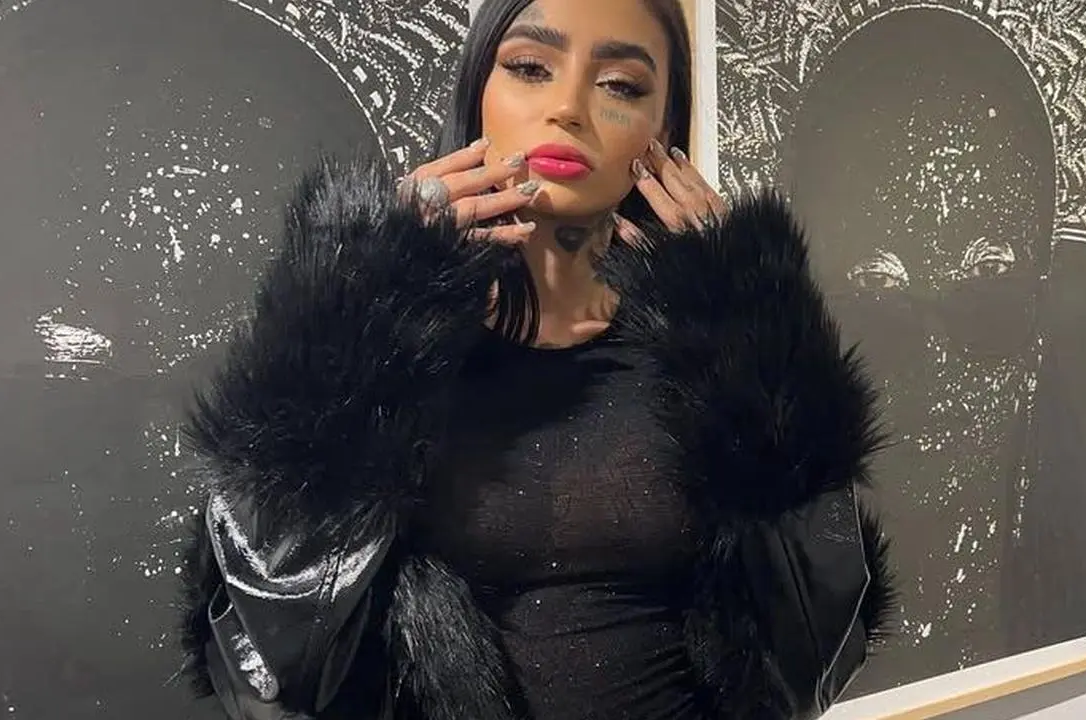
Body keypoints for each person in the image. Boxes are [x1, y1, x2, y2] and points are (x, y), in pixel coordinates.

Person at [175, 1, 894, 718]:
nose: (569, 108)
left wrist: (763, 348)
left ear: (663, 130)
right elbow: (268, 651)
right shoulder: (388, 351)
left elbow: (815, 639)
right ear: (478, 94)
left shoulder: (713, 355)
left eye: (620, 85)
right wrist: (356, 309)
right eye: (529, 67)